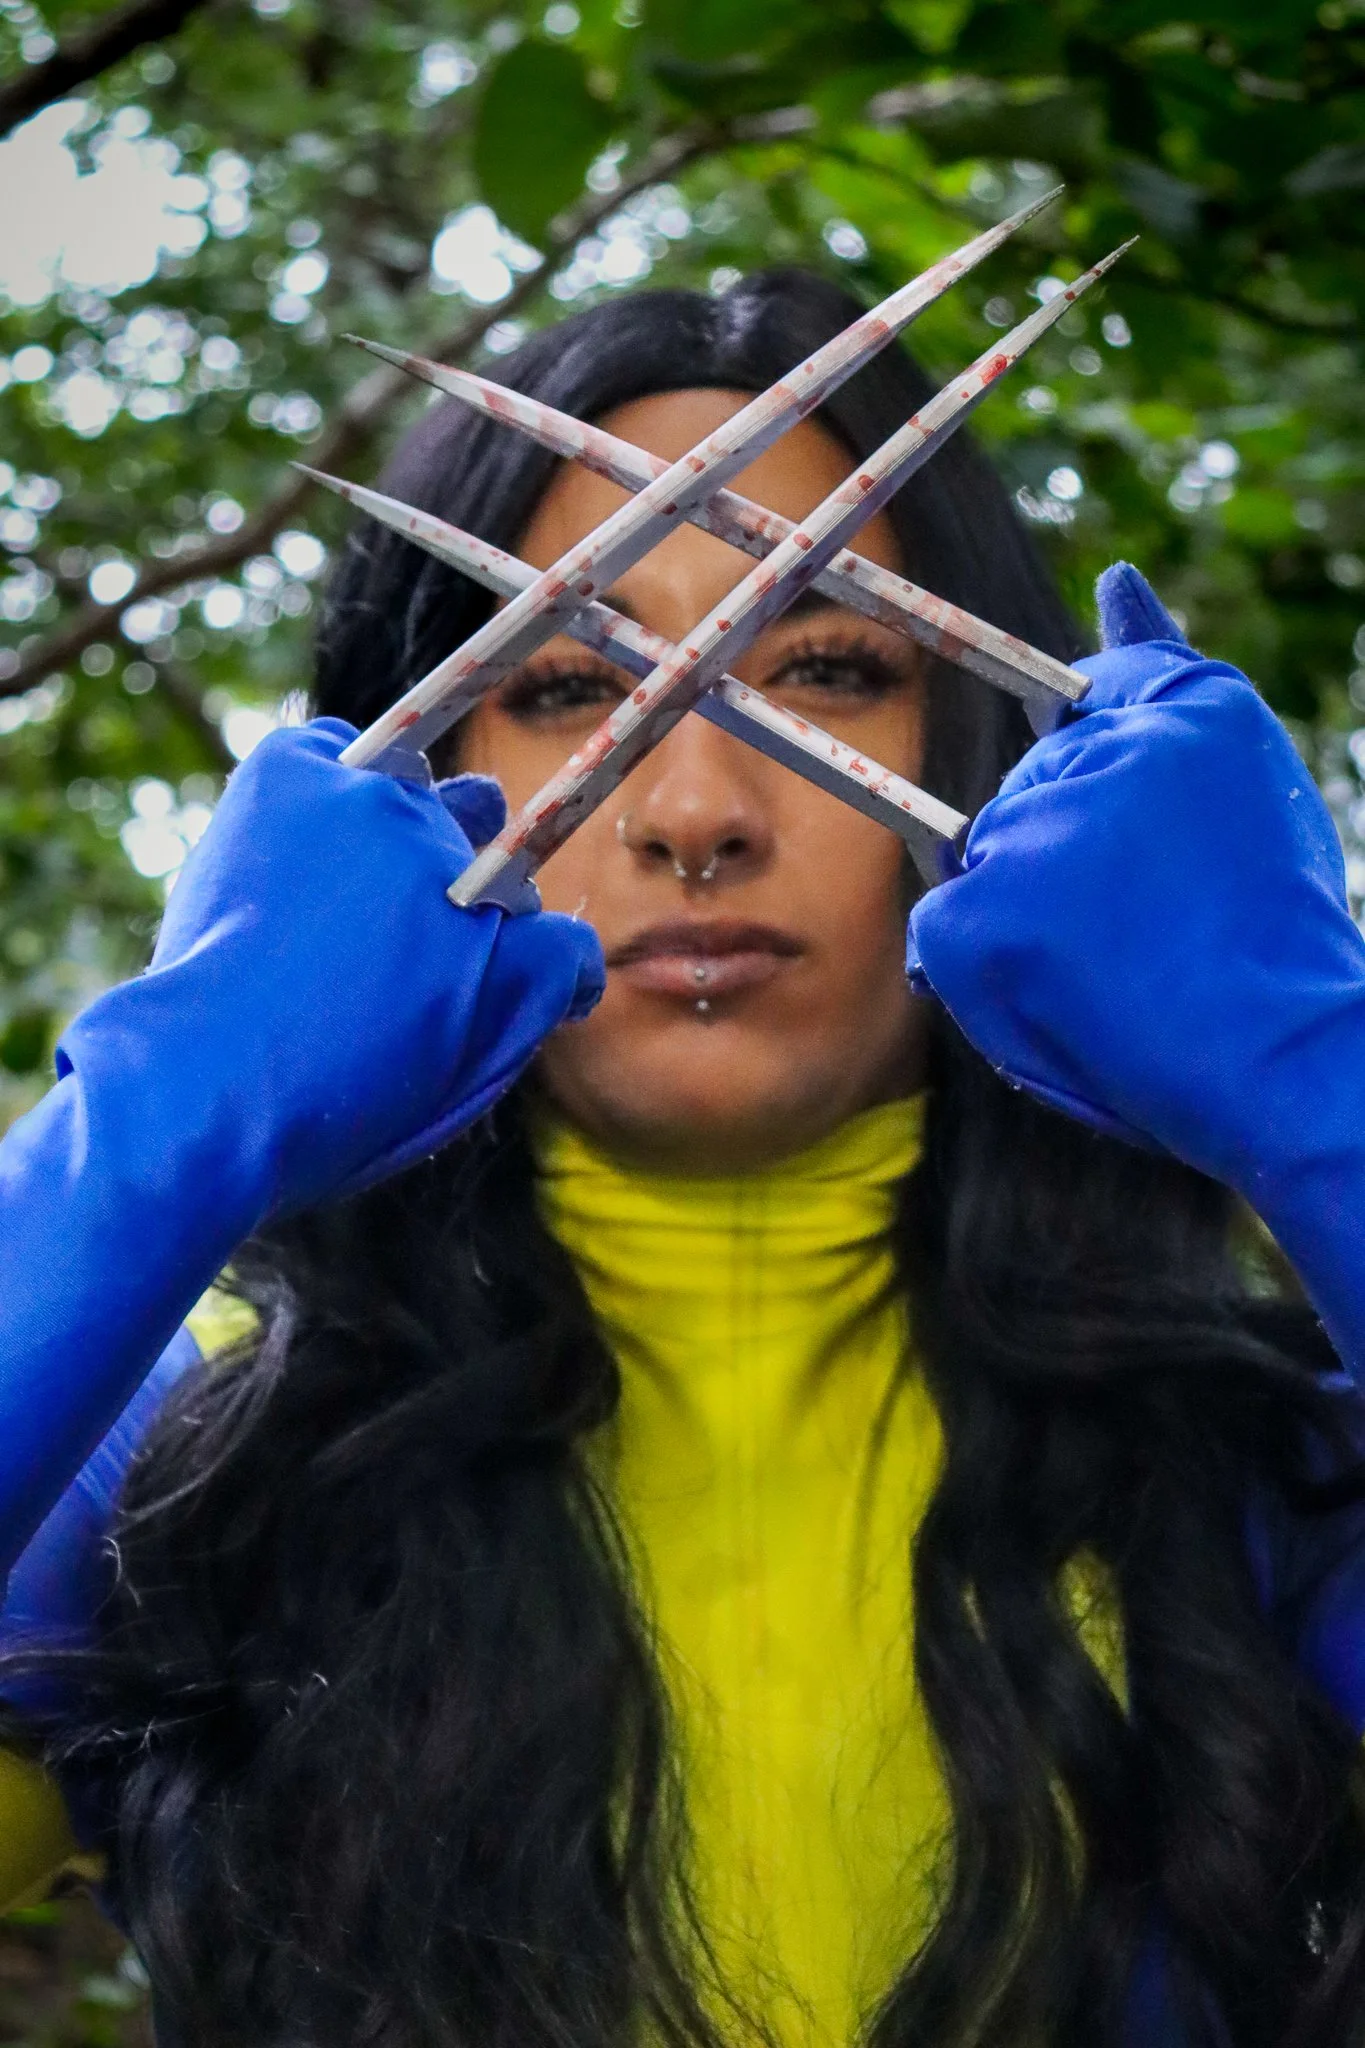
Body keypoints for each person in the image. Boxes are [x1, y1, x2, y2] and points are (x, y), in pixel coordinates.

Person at [2, 268, 1365, 2048]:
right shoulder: (170, 1486)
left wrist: (1310, 1069)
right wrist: (165, 1116)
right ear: (417, 773)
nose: (698, 810)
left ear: (996, 749)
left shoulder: (1277, 1483)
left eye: (827, 668)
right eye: (572, 680)